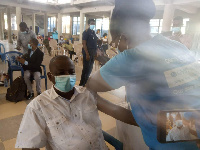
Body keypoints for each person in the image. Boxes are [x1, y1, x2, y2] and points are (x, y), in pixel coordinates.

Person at [86, 0, 200, 149]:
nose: (115, 47)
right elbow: (155, 115)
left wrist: (92, 99)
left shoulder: (132, 57)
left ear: (124, 37)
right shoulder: (177, 46)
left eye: (115, 42)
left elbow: (91, 85)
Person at [15, 55, 135, 150]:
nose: (68, 76)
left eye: (71, 72)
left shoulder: (87, 94)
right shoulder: (38, 106)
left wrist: (148, 123)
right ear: (51, 77)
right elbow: (29, 146)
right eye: (61, 73)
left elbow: (115, 110)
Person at [79, 19, 98, 87]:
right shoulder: (86, 32)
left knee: (90, 68)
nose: (93, 25)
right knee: (86, 69)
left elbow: (95, 43)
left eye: (94, 23)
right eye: (92, 23)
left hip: (93, 52)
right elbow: (84, 43)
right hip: (88, 52)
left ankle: (86, 83)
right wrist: (87, 54)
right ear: (89, 24)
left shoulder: (93, 32)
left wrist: (96, 52)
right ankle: (81, 84)